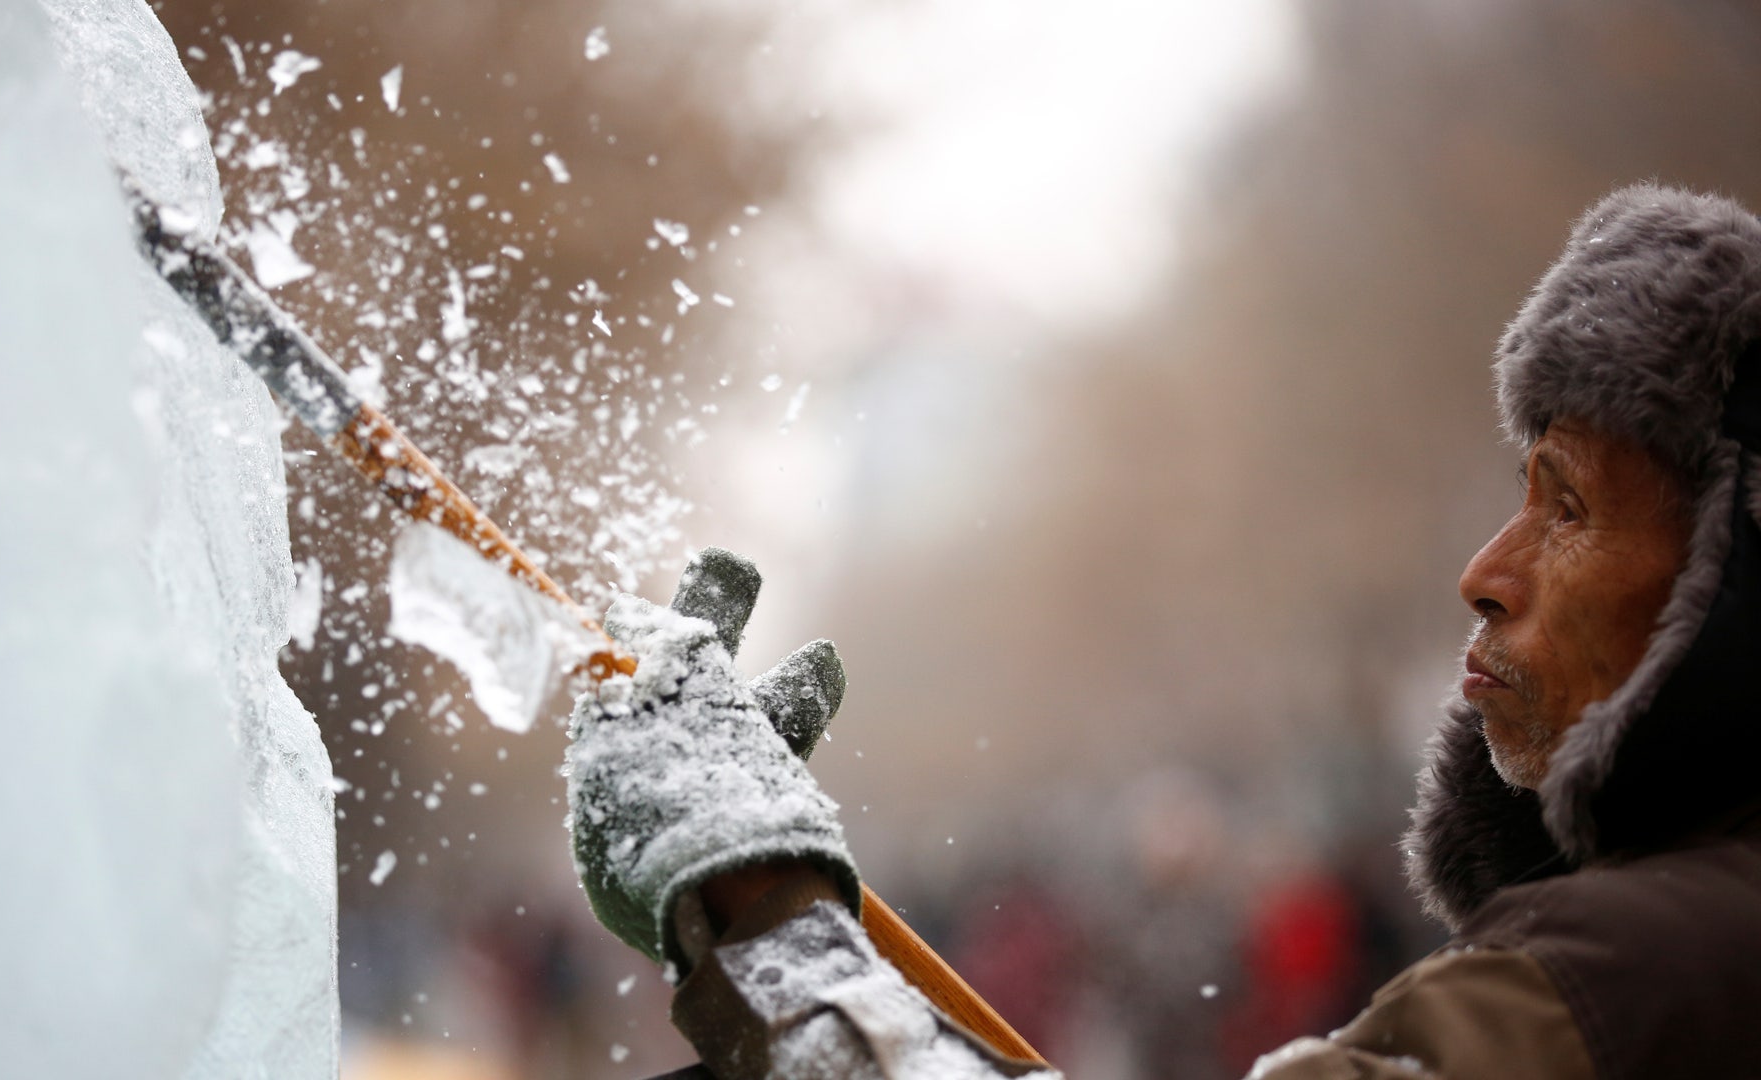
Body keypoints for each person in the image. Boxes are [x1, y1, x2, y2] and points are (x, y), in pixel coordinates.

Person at [563, 184, 1761, 1078]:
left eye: (1569, 507)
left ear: (1729, 589)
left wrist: (761, 908)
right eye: (1518, 496)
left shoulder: (1641, 978)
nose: (1484, 573)